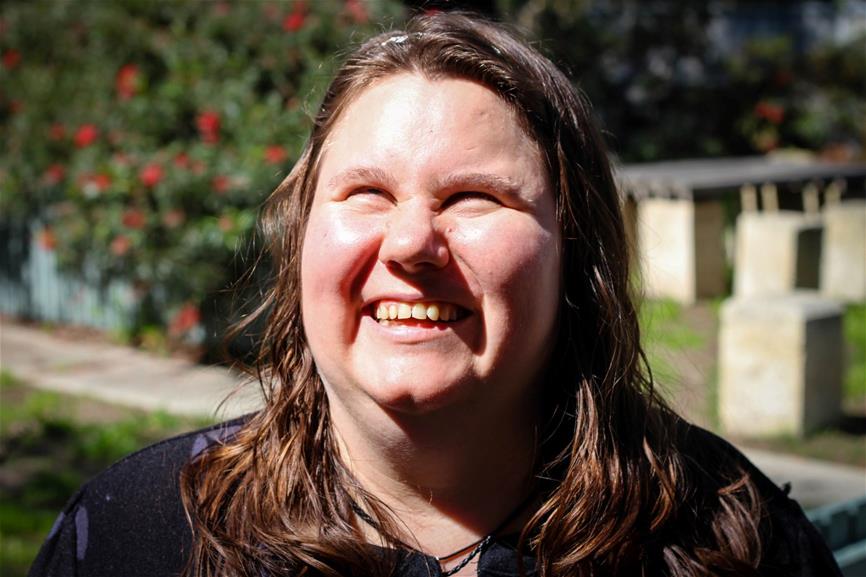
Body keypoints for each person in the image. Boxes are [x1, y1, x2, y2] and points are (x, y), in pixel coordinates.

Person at [30, 12, 841, 577]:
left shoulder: (727, 535)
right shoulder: (134, 534)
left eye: (475, 198)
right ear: (303, 236)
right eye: (366, 193)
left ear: (577, 252)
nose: (412, 242)